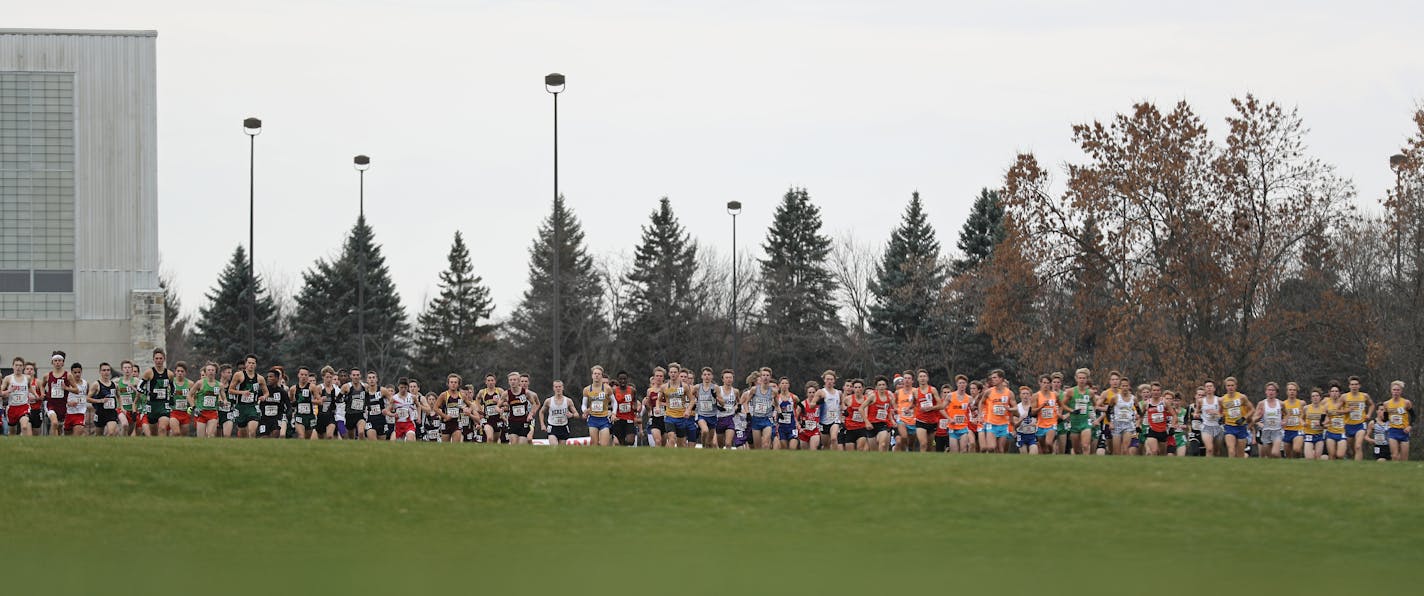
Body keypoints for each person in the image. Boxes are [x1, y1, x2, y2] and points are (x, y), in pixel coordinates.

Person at [229, 355, 267, 438]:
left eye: (253, 363)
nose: (251, 365)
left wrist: (264, 397)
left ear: (256, 365)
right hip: (241, 407)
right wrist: (242, 392)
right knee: (243, 434)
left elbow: (266, 392)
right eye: (249, 363)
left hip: (253, 407)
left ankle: (253, 447)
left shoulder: (260, 378)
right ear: (246, 364)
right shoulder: (238, 375)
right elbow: (230, 390)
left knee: (252, 431)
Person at [141, 348, 176, 437]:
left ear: (164, 359)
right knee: (153, 433)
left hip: (163, 405)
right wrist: (148, 393)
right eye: (156, 358)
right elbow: (139, 387)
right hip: (152, 406)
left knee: (162, 428)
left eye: (160, 358)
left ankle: (163, 446)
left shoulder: (169, 374)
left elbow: (173, 388)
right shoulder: (149, 372)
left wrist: (171, 397)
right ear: (153, 359)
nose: (158, 361)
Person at [1218, 377, 1253, 458]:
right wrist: (1221, 417)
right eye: (1228, 385)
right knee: (1231, 450)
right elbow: (1220, 412)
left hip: (1241, 427)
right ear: (1226, 387)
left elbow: (1252, 410)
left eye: (1232, 385)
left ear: (1236, 386)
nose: (1230, 387)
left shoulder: (1242, 397)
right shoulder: (1222, 399)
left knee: (1240, 454)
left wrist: (1244, 418)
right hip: (1229, 427)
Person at [981, 369, 1015, 453]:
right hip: (991, 423)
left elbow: (1015, 408)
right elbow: (981, 403)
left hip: (1003, 425)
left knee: (1001, 449)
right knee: (992, 447)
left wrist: (1009, 409)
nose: (992, 379)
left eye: (995, 377)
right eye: (992, 378)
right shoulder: (988, 392)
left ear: (1001, 379)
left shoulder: (1009, 393)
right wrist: (980, 414)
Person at [910, 370, 944, 453]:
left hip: (932, 421)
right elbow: (914, 403)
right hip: (920, 420)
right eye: (920, 376)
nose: (922, 378)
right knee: (923, 444)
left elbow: (941, 405)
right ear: (917, 379)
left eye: (924, 376)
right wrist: (909, 408)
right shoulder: (915, 391)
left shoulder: (932, 390)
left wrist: (930, 408)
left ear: (927, 378)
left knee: (930, 446)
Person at [1342, 376, 1374, 461]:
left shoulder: (1364, 396)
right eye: (1352, 385)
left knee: (1358, 446)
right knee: (1350, 448)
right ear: (1349, 386)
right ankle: (1351, 456)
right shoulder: (1344, 397)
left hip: (1360, 424)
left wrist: (1369, 414)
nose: (1354, 386)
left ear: (1359, 386)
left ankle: (1358, 465)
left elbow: (1372, 405)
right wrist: (1347, 410)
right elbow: (1337, 410)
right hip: (1348, 425)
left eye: (1356, 384)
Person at [188, 362, 223, 438]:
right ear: (206, 372)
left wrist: (221, 402)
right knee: (201, 437)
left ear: (216, 371)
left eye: (212, 370)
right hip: (201, 413)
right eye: (209, 370)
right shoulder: (199, 383)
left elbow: (219, 397)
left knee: (210, 435)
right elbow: (189, 395)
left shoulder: (218, 385)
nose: (211, 371)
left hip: (213, 412)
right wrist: (194, 407)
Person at [3, 356, 36, 436]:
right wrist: (9, 391)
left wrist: (36, 395)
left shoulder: (27, 378)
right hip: (12, 408)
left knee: (24, 426)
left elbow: (29, 387)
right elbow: (1, 392)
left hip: (24, 406)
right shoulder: (8, 378)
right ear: (13, 366)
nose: (18, 367)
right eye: (16, 365)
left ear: (23, 367)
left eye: (20, 365)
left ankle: (24, 444)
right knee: (12, 432)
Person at [744, 368, 776, 450]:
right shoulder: (754, 390)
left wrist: (779, 413)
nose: (765, 377)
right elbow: (746, 402)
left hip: (767, 420)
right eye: (763, 375)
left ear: (770, 377)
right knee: (757, 447)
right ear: (760, 377)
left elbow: (777, 404)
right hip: (756, 420)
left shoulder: (773, 391)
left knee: (766, 444)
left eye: (767, 375)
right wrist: (747, 413)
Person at [540, 380, 580, 446]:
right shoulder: (548, 401)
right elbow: (541, 412)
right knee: (554, 447)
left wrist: (572, 415)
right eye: (556, 387)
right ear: (553, 388)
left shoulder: (568, 401)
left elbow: (577, 415)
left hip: (563, 427)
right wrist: (542, 425)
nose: (558, 388)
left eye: (559, 387)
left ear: (563, 388)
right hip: (552, 427)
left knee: (561, 450)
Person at [1381, 380, 1413, 461]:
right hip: (1393, 430)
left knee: (1404, 458)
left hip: (1404, 431)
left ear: (1401, 391)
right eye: (1394, 390)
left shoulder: (1406, 402)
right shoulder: (1386, 404)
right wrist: (1383, 414)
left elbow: (1413, 416)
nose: (1396, 392)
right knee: (1394, 456)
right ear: (1391, 390)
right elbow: (1385, 419)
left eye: (1398, 390)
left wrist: (1410, 426)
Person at [1251, 382, 1284, 459]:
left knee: (1275, 452)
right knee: (1269, 456)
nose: (1271, 392)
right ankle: (1279, 465)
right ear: (1266, 392)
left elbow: (1287, 414)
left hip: (1277, 431)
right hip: (1266, 431)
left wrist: (1284, 421)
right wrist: (1259, 419)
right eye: (1269, 390)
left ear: (1276, 392)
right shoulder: (1261, 404)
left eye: (1273, 390)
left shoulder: (1281, 403)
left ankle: (1281, 462)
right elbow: (1254, 418)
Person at [583, 368, 614, 447]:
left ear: (601, 376)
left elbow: (614, 402)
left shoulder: (607, 388)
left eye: (599, 374)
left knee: (604, 445)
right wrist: (585, 411)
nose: (596, 375)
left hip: (604, 419)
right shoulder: (587, 389)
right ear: (592, 376)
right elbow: (583, 404)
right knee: (594, 444)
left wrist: (614, 413)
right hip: (593, 419)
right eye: (595, 373)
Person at [1141, 385, 1173, 456]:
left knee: (1162, 454)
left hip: (1163, 431)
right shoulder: (1147, 403)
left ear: (1160, 392)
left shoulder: (1164, 402)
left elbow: (1174, 415)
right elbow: (1141, 415)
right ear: (1151, 392)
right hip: (1152, 430)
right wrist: (1138, 425)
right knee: (1154, 451)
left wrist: (1172, 427)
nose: (1156, 392)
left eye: (1158, 390)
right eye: (1154, 390)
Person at [865, 376, 895, 452]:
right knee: (874, 451)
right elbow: (862, 408)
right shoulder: (872, 396)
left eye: (883, 385)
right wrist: (866, 421)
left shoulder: (890, 397)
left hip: (883, 424)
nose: (881, 387)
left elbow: (890, 410)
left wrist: (892, 420)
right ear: (876, 387)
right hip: (872, 424)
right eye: (879, 385)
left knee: (882, 444)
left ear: (886, 386)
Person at [839, 379, 869, 451]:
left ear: (863, 388)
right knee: (850, 452)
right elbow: (841, 409)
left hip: (861, 427)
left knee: (860, 448)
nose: (857, 389)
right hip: (850, 428)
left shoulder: (866, 399)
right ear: (853, 389)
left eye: (859, 387)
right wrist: (842, 417)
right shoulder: (847, 399)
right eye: (855, 387)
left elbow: (866, 413)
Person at [506, 372, 536, 445]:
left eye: (526, 381)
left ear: (528, 382)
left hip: (528, 419)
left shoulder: (532, 394)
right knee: (515, 442)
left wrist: (531, 413)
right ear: (519, 382)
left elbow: (537, 404)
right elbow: (507, 404)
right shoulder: (510, 393)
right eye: (522, 381)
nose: (524, 383)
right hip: (514, 420)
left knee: (529, 438)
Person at [944, 377, 973, 453]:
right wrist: (949, 418)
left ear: (966, 384)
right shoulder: (950, 396)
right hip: (952, 428)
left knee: (963, 451)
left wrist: (976, 415)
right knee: (954, 452)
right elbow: (941, 408)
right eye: (960, 383)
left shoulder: (969, 398)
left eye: (963, 383)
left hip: (963, 428)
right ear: (957, 384)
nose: (962, 385)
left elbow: (973, 411)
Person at [289, 367, 319, 440]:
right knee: (301, 436)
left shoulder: (312, 387)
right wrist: (294, 402)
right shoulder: (293, 389)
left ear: (308, 376)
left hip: (310, 416)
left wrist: (309, 400)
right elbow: (290, 401)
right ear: (298, 375)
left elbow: (319, 401)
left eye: (306, 375)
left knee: (307, 438)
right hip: (299, 415)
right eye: (302, 374)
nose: (303, 377)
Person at [608, 370, 636, 446]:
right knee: (621, 441)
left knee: (631, 441)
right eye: (621, 379)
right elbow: (609, 403)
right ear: (618, 380)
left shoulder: (632, 390)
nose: (623, 381)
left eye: (624, 379)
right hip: (618, 418)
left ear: (627, 379)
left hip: (629, 418)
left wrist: (635, 410)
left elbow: (634, 401)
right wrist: (612, 411)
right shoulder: (614, 390)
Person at [816, 371, 843, 451]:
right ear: (824, 380)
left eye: (831, 379)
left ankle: (835, 457)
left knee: (834, 438)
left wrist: (845, 410)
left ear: (834, 380)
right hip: (823, 421)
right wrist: (819, 402)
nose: (829, 381)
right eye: (827, 379)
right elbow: (812, 405)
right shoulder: (821, 392)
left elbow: (842, 404)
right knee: (826, 444)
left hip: (835, 420)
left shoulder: (839, 393)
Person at [476, 373, 506, 444]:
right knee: (489, 438)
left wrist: (499, 402)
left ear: (495, 381)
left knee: (495, 441)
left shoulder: (500, 391)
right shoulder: (482, 392)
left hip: (498, 420)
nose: (490, 382)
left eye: (492, 380)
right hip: (487, 420)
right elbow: (477, 399)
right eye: (488, 380)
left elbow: (507, 403)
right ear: (486, 382)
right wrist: (479, 408)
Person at [694, 367, 719, 449]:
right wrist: (695, 401)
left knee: (710, 441)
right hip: (702, 415)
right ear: (702, 376)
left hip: (713, 416)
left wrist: (716, 397)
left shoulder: (715, 388)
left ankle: (707, 449)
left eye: (708, 375)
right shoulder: (697, 387)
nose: (707, 376)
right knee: (705, 431)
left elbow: (722, 402)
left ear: (712, 376)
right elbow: (690, 397)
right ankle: (703, 446)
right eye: (705, 375)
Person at [1034, 374, 1059, 454]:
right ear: (1040, 383)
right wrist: (1041, 406)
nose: (1046, 385)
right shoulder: (1036, 396)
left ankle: (1052, 453)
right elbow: (1032, 412)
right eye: (1044, 383)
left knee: (1048, 442)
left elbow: (1062, 405)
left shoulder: (1054, 395)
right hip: (1040, 424)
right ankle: (1049, 456)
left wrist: (1059, 413)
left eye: (1048, 383)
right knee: (1043, 448)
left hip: (1052, 424)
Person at [114, 360, 140, 436]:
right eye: (125, 367)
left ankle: (122, 442)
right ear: (122, 369)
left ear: (132, 369)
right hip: (121, 408)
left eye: (129, 367)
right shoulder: (117, 381)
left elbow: (141, 395)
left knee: (128, 432)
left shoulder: (136, 381)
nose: (127, 369)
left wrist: (133, 388)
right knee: (125, 425)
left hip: (132, 410)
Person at [436, 374, 465, 443]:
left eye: (455, 382)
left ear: (458, 384)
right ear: (448, 384)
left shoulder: (462, 395)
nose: (453, 384)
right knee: (446, 447)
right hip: (446, 423)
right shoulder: (444, 395)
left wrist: (468, 410)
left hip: (457, 423)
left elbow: (471, 405)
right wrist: (445, 416)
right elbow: (435, 408)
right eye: (451, 382)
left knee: (456, 446)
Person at [1281, 382, 1306, 459]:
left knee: (1296, 449)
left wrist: (1303, 421)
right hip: (1287, 430)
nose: (1292, 392)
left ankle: (1298, 459)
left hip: (1298, 430)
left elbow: (1305, 415)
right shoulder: (1282, 404)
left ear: (1296, 392)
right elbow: (1281, 417)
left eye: (1294, 390)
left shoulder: (1302, 403)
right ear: (1287, 391)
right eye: (1290, 390)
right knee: (1288, 455)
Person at [260, 369, 287, 438]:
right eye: (268, 377)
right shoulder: (262, 390)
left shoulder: (282, 392)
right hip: (264, 419)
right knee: (264, 437)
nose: (268, 378)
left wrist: (288, 414)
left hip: (277, 418)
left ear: (277, 378)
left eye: (271, 377)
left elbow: (288, 405)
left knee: (276, 433)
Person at [343, 368, 369, 440]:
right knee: (351, 438)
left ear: (360, 376)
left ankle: (365, 447)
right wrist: (345, 399)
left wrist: (368, 406)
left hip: (360, 414)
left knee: (361, 432)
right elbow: (338, 399)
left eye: (357, 375)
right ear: (350, 376)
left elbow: (368, 398)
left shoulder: (365, 386)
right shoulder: (346, 386)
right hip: (349, 415)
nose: (356, 377)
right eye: (354, 375)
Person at [62, 362, 88, 436]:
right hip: (69, 413)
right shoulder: (67, 384)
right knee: (68, 437)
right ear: (71, 373)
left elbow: (87, 396)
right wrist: (68, 403)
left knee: (76, 436)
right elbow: (62, 399)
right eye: (75, 372)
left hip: (80, 413)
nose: (77, 374)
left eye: (79, 372)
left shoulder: (85, 383)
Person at [1012, 386, 1040, 454]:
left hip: (1032, 434)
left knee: (1033, 454)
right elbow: (1014, 425)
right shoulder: (1017, 408)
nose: (1025, 396)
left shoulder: (1035, 407)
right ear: (1020, 395)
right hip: (1021, 434)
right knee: (1024, 457)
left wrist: (1036, 424)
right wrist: (1021, 420)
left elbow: (1040, 420)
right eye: (1023, 394)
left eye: (1027, 394)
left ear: (1031, 396)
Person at [772, 377, 798, 450]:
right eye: (782, 383)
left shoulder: (794, 397)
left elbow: (798, 410)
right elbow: (773, 411)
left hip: (792, 426)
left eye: (786, 383)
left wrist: (798, 422)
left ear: (789, 385)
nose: (784, 385)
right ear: (779, 385)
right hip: (781, 428)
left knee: (792, 448)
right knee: (784, 449)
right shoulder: (776, 398)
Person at [715, 369, 738, 448]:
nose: (729, 379)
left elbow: (738, 403)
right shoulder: (718, 389)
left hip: (730, 418)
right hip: (719, 418)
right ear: (723, 379)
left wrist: (736, 407)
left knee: (728, 443)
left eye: (730, 378)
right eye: (726, 378)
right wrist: (719, 406)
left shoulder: (735, 391)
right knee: (720, 445)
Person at [795, 381, 821, 450]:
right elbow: (795, 418)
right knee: (805, 453)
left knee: (813, 449)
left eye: (813, 392)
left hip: (815, 430)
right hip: (804, 431)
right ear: (807, 393)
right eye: (809, 392)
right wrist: (799, 428)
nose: (812, 394)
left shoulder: (819, 404)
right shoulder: (802, 404)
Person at [894, 374, 915, 452]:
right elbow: (894, 403)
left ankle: (909, 451)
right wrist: (896, 409)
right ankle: (903, 453)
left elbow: (918, 403)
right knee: (904, 437)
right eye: (905, 378)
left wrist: (911, 407)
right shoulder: (898, 392)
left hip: (913, 420)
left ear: (912, 381)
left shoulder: (915, 391)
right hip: (901, 419)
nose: (907, 380)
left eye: (909, 378)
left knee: (911, 444)